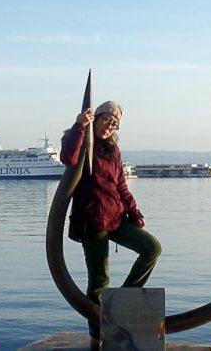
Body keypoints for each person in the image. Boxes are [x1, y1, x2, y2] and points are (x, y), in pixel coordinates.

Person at [60, 100, 162, 347]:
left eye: (115, 124)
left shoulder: (112, 149)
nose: (109, 126)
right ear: (97, 116)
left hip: (116, 217)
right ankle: (97, 336)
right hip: (91, 221)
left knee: (152, 249)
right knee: (98, 282)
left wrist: (135, 213)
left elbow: (121, 185)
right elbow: (68, 158)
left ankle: (122, 301)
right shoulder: (81, 139)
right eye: (107, 119)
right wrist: (79, 126)